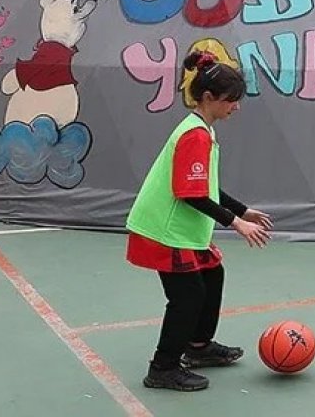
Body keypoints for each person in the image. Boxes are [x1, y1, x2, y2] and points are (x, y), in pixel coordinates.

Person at [125, 52, 273, 392]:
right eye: (231, 101)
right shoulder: (195, 135)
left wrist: (242, 209)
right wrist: (236, 222)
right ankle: (162, 368)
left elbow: (204, 185)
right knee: (187, 296)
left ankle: (198, 346)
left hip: (182, 229)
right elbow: (189, 193)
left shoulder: (201, 129)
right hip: (165, 229)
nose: (235, 107)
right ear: (208, 98)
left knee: (211, 273)